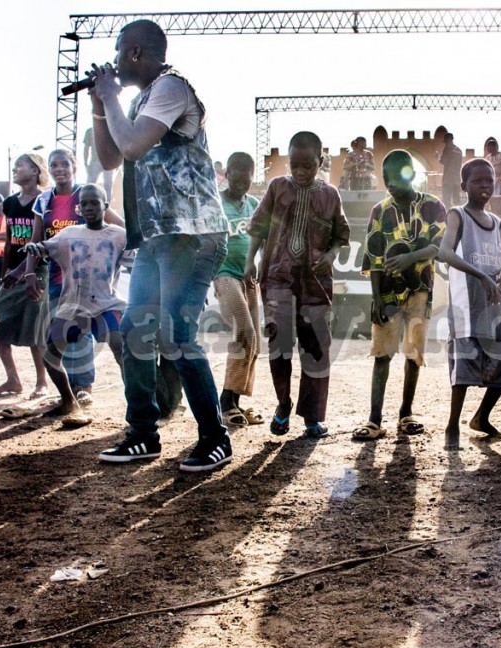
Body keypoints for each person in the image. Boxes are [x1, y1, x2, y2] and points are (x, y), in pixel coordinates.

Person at [89, 18, 233, 472]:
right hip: (156, 237)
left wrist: (111, 96)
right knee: (136, 331)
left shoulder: (172, 87)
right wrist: (100, 105)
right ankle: (143, 435)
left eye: (117, 53)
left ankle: (215, 437)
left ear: (134, 53)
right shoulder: (139, 102)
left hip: (193, 234)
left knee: (175, 333)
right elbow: (111, 156)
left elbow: (131, 147)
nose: (113, 63)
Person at [245, 131, 350, 439]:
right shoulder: (278, 187)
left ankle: (312, 417)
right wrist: (251, 259)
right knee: (279, 344)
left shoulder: (330, 194)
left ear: (320, 161)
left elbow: (340, 237)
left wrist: (330, 256)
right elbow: (258, 226)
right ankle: (282, 404)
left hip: (316, 283)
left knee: (316, 348)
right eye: (295, 165)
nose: (301, 171)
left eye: (307, 165)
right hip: (278, 277)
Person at [352, 150, 445, 441]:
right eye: (385, 178)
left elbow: (438, 246)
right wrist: (377, 298)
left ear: (411, 174)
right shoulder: (379, 212)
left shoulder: (433, 206)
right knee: (382, 353)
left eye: (396, 177)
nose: (390, 184)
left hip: (420, 291)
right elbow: (374, 257)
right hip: (389, 294)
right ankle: (374, 419)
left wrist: (409, 259)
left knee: (414, 353)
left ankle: (406, 413)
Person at [21, 184, 126, 428]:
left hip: (106, 303)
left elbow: (138, 258)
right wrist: (34, 249)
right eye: (85, 204)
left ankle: (136, 403)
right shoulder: (69, 235)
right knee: (51, 355)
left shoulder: (119, 235)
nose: (89, 208)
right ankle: (68, 400)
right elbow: (44, 247)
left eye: (95, 203)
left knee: (123, 351)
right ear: (78, 209)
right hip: (74, 306)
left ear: (105, 207)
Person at [438, 158, 501, 451]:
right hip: (467, 306)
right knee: (464, 367)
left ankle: (481, 417)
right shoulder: (457, 215)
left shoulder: (496, 221)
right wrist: (480, 275)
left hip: (495, 305)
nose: (485, 185)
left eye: (489, 180)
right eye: (477, 181)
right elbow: (444, 253)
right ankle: (452, 424)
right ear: (464, 186)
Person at [0, 153, 52, 399]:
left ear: (35, 170)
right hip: (13, 272)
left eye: (20, 165)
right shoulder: (10, 203)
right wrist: (6, 270)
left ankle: (41, 382)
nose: (15, 169)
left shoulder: (46, 200)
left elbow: (44, 241)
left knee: (36, 330)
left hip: (38, 271)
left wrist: (24, 269)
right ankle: (13, 380)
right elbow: (8, 240)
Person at [215, 152, 263, 429]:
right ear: (228, 173)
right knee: (244, 332)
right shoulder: (216, 204)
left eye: (248, 178)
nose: (243, 182)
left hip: (249, 276)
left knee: (254, 342)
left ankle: (236, 399)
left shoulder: (254, 205)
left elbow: (262, 237)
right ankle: (225, 401)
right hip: (224, 273)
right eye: (238, 176)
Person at [82, 127, 115, 202]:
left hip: (108, 162)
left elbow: (117, 145)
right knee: (90, 184)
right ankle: (87, 202)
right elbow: (86, 148)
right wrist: (85, 162)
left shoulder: (111, 129)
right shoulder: (90, 131)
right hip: (96, 162)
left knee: (108, 185)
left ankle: (107, 206)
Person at [437, 132, 463, 208]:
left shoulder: (447, 149)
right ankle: (459, 216)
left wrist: (438, 157)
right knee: (457, 200)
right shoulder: (459, 150)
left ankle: (448, 216)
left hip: (448, 178)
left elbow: (443, 161)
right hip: (457, 179)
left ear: (449, 140)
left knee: (446, 199)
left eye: (446, 142)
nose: (445, 144)